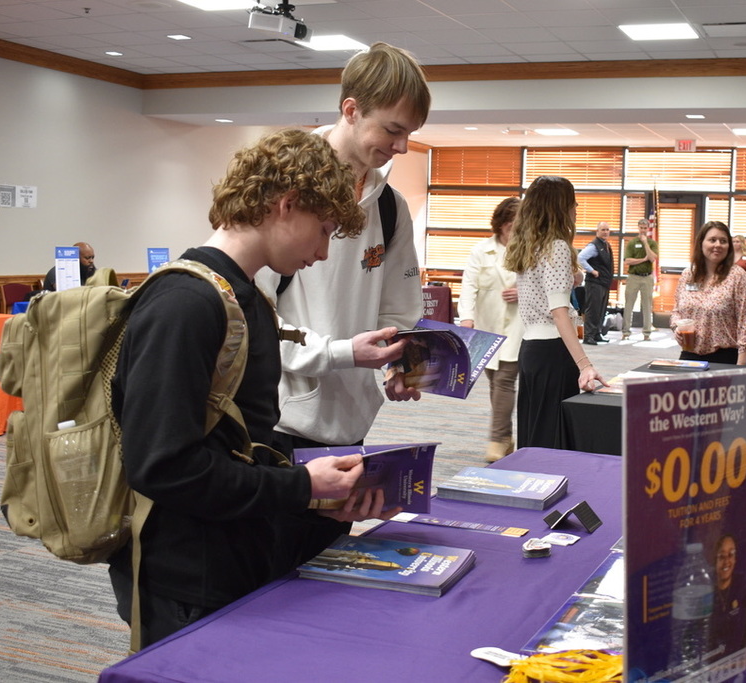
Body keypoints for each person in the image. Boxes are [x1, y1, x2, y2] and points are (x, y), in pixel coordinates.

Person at [108, 129, 397, 649]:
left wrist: (321, 495)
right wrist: (303, 487)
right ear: (286, 205)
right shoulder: (185, 303)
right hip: (186, 577)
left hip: (234, 554)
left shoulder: (247, 298)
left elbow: (241, 445)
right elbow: (164, 467)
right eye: (324, 230)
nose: (324, 252)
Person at [258, 42, 432, 452]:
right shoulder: (283, 189)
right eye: (393, 130)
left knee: (337, 519)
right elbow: (251, 318)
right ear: (351, 111)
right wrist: (339, 353)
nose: (403, 147)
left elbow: (397, 309)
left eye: (409, 133)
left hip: (353, 418)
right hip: (278, 418)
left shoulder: (390, 206)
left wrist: (398, 364)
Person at [504, 176, 607, 449]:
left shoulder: (529, 246)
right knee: (552, 438)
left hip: (531, 349)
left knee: (534, 433)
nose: (575, 207)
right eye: (571, 202)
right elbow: (559, 312)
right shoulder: (557, 247)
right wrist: (585, 364)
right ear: (560, 207)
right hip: (553, 350)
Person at [458, 197, 523, 462]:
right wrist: (466, 318)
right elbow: (469, 286)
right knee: (495, 381)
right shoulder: (481, 250)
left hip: (518, 325)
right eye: (510, 226)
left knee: (505, 381)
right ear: (501, 225)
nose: (514, 232)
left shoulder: (530, 250)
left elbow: (546, 284)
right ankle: (507, 437)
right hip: (487, 326)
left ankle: (496, 440)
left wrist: (523, 291)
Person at [671, 221, 746, 365]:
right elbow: (676, 311)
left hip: (724, 359)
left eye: (723, 241)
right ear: (701, 243)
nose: (718, 245)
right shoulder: (688, 275)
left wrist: (740, 367)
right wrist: (676, 328)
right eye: (712, 240)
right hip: (689, 356)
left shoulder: (738, 277)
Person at [710, 534, 746, 658]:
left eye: (731, 554)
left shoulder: (742, 584)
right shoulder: (705, 588)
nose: (727, 561)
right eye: (721, 556)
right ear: (714, 560)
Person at [622, 217, 658, 340]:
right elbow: (627, 261)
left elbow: (652, 258)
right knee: (629, 305)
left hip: (647, 277)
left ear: (648, 229)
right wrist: (643, 260)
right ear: (638, 228)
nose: (643, 230)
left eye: (645, 228)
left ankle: (647, 333)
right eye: (641, 228)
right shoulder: (632, 243)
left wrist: (645, 243)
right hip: (633, 277)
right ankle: (626, 332)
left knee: (647, 305)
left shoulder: (652, 243)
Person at [578, 221, 613, 345]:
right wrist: (592, 271)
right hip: (594, 283)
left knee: (601, 310)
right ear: (597, 232)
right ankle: (588, 336)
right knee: (593, 310)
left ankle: (597, 333)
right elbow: (580, 258)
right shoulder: (594, 246)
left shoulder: (606, 245)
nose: (605, 232)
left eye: (607, 230)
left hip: (603, 283)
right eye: (603, 230)